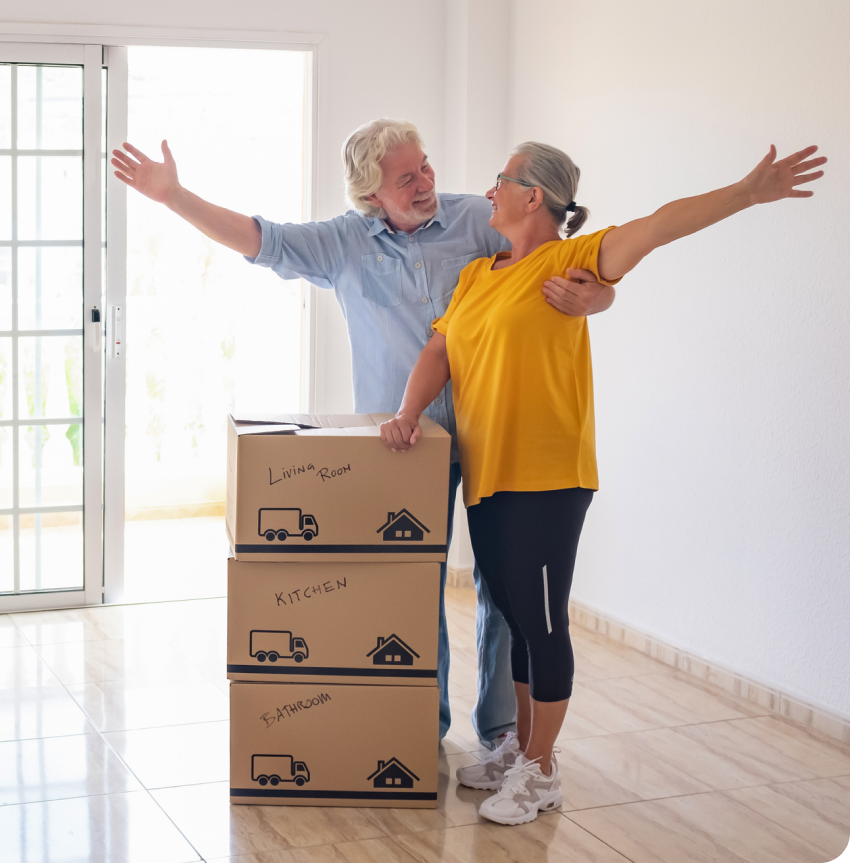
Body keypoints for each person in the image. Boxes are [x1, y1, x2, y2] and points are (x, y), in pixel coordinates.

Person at [111, 120, 617, 746]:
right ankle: (420, 730)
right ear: (370, 193)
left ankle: (503, 735)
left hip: (496, 432)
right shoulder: (341, 243)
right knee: (414, 585)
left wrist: (599, 299)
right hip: (404, 442)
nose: (427, 183)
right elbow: (258, 238)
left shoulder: (476, 217)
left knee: (504, 590)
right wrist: (174, 197)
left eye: (426, 166)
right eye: (407, 178)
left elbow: (561, 254)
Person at [379, 140, 825, 824]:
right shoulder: (479, 275)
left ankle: (543, 771)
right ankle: (521, 750)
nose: (490, 189)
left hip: (548, 477)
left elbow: (656, 226)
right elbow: (440, 348)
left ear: (535, 197)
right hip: (489, 473)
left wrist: (745, 191)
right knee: (519, 622)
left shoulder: (569, 262)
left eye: (502, 180)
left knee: (544, 623)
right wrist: (408, 414)